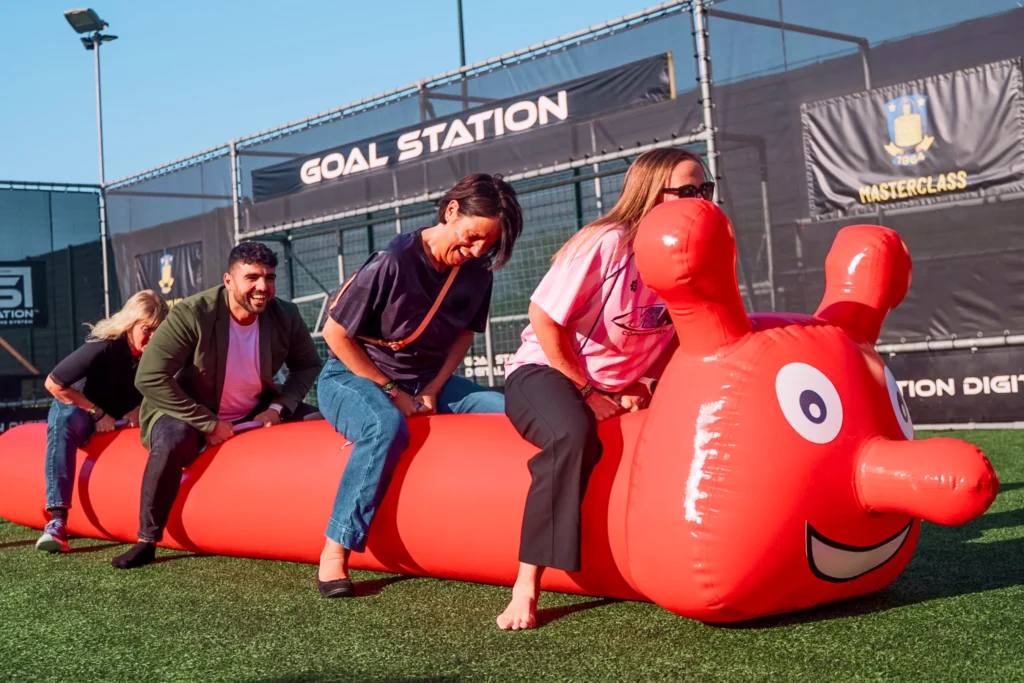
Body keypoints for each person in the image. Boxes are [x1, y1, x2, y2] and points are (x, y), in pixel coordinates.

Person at [497, 148, 711, 629]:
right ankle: (527, 585)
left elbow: (685, 337)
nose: (702, 200)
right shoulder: (608, 242)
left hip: (615, 389)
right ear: (653, 193)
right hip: (544, 373)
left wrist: (646, 382)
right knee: (571, 434)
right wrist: (590, 392)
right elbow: (545, 320)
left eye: (706, 190)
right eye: (689, 191)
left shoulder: (689, 254)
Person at [315, 173, 523, 598]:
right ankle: (335, 549)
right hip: (353, 375)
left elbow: (465, 333)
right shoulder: (393, 259)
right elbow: (335, 336)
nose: (478, 250)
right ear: (451, 211)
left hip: (427, 381)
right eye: (472, 237)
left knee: (504, 408)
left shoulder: (478, 271)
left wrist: (432, 388)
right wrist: (392, 391)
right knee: (384, 426)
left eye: (490, 243)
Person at [111, 241, 323, 569]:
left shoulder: (286, 315)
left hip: (257, 407)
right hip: (188, 410)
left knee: (320, 422)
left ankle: (323, 519)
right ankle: (147, 539)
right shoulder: (192, 313)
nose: (262, 287)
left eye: (269, 277)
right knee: (170, 441)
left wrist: (279, 408)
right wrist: (207, 422)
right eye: (251, 277)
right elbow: (150, 377)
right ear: (228, 280)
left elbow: (308, 365)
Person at [35, 290, 169, 553]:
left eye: (158, 330)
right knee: (64, 418)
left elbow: (166, 386)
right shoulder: (105, 345)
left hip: (118, 417)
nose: (152, 337)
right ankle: (58, 521)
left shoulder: (156, 355)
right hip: (81, 408)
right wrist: (97, 413)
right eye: (146, 329)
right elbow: (54, 383)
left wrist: (140, 408)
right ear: (130, 325)